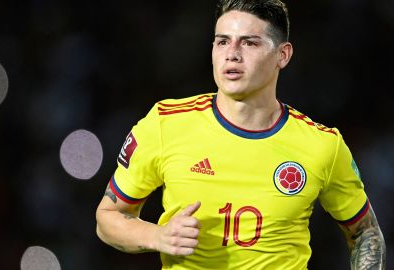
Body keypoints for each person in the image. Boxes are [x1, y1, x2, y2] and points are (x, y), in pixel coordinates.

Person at [95, 0, 386, 269]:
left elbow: (365, 233)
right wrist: (157, 236)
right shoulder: (165, 123)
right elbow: (107, 218)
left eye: (249, 42)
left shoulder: (323, 146)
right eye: (222, 41)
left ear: (282, 55)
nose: (232, 54)